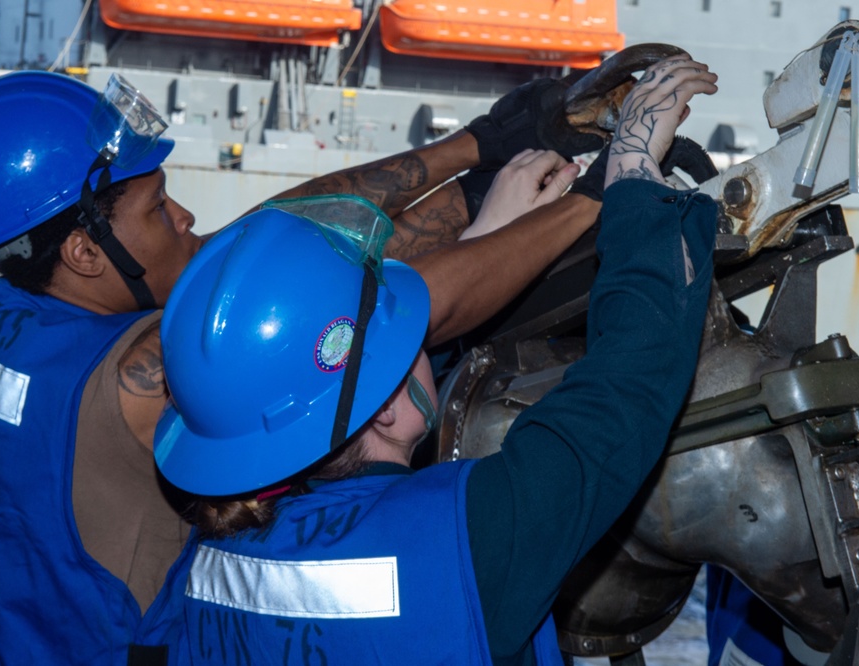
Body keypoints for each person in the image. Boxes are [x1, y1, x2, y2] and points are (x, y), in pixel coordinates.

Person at [0, 67, 605, 663]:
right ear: (84, 252)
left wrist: (475, 149)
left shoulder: (1, 313)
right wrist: (593, 200)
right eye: (159, 207)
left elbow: (250, 251)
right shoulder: (138, 376)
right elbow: (368, 317)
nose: (185, 217)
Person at [152, 54, 718, 665]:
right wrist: (633, 167)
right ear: (388, 414)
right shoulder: (469, 535)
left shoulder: (202, 564)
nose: (424, 338)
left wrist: (487, 234)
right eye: (408, 340)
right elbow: (632, 380)